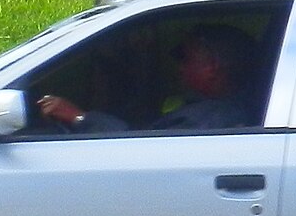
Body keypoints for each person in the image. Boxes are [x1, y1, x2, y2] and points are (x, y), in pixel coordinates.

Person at [35, 23, 264, 134]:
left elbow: (137, 149)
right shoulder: (210, 109)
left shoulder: (214, 119)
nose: (179, 67)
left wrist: (79, 117)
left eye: (184, 57)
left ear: (212, 67)